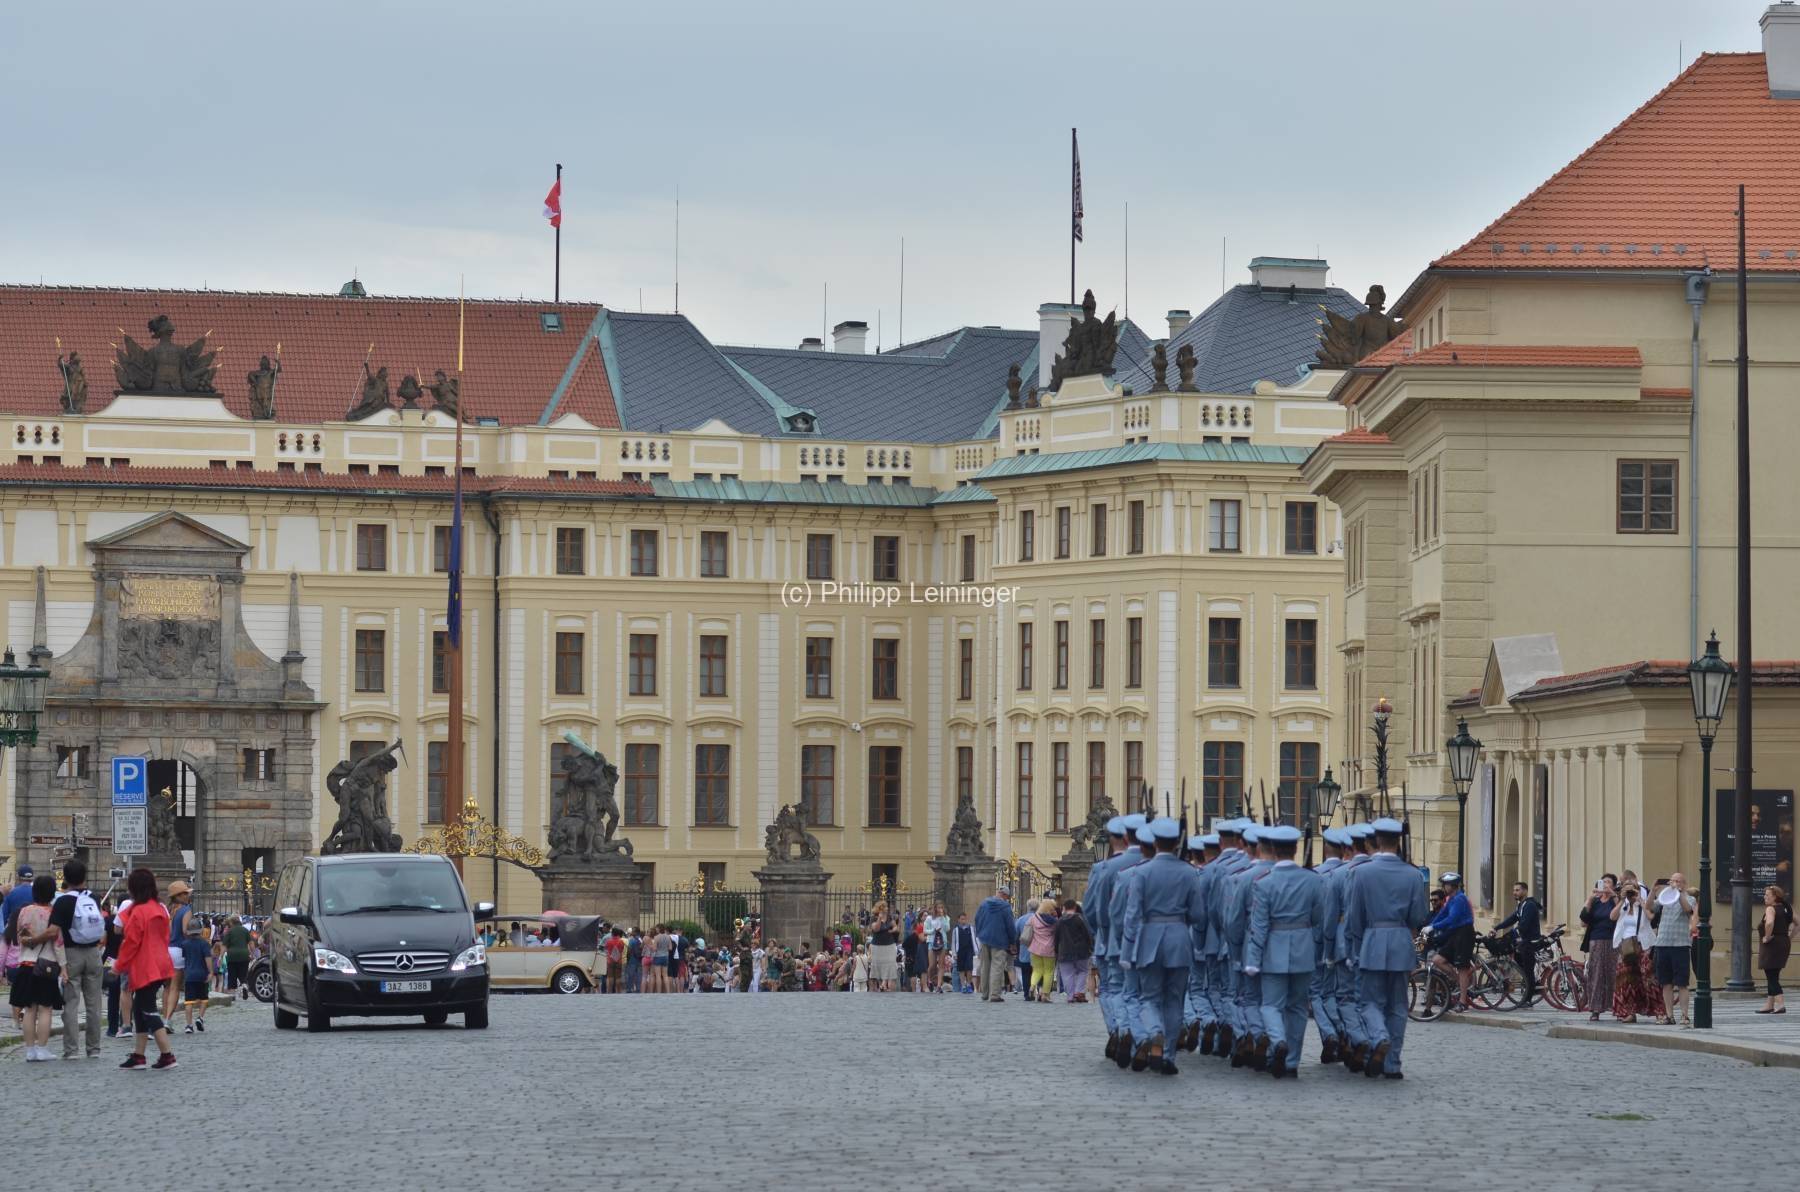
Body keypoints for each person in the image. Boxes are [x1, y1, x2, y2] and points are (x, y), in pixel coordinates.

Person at [1342, 818, 1431, 1079]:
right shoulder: (1413, 874)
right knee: (1398, 1006)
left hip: (1372, 941)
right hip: (1401, 943)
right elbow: (1418, 916)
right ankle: (1392, 1063)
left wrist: (1358, 947)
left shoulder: (1362, 873)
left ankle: (1379, 1037)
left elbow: (1354, 918)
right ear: (1398, 841)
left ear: (1377, 841)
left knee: (1369, 1002)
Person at [1118, 818, 1206, 1075]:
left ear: (1155, 842)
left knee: (1150, 997)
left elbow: (1132, 915)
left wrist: (1127, 951)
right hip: (1179, 940)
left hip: (1149, 940)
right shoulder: (1189, 872)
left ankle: (1154, 1032)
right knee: (1175, 1000)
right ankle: (1167, 1055)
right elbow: (1198, 914)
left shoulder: (1142, 872)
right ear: (1177, 842)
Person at [1243, 824, 1324, 1079]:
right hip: (1303, 950)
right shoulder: (1313, 880)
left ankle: (1278, 1041)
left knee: (1271, 1006)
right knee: (1298, 1008)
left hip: (1273, 951)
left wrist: (1253, 959)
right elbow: (1318, 917)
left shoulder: (1264, 883)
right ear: (1296, 849)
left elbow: (1259, 926)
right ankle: (1291, 1062)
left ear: (1273, 850)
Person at [114, 868, 177, 1070]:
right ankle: (139, 1056)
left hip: (146, 965)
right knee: (140, 1009)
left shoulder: (139, 911)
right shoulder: (159, 908)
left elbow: (131, 942)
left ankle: (167, 1055)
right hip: (161, 962)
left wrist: (118, 966)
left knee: (148, 1009)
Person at [49, 858, 106, 1060]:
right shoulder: (94, 897)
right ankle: (94, 1048)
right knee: (94, 1004)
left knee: (71, 1004)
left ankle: (71, 1050)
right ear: (85, 876)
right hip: (93, 953)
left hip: (71, 953)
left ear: (65, 878)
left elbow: (53, 930)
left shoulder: (63, 901)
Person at [10, 873, 65, 1061]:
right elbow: (58, 943)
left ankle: (30, 1050)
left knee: (29, 1009)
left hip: (26, 963)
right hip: (46, 965)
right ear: (52, 892)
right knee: (45, 1009)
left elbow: (20, 936)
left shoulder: (24, 911)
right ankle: (42, 1049)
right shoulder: (53, 913)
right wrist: (64, 966)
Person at [1423, 872, 1476, 1011]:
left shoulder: (1459, 899)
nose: (1443, 887)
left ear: (1452, 885)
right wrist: (1429, 926)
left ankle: (1463, 1001)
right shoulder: (1450, 899)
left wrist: (1434, 927)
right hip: (1455, 933)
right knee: (1437, 960)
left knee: (1462, 967)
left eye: (1445, 885)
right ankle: (1461, 984)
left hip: (1464, 933)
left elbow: (1451, 919)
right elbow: (1442, 914)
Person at [1652, 873, 1697, 1027]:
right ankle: (1669, 1015)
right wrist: (1653, 891)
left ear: (1684, 884)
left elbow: (1687, 909)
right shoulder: (1664, 898)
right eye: (1672, 881)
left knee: (1682, 983)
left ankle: (1685, 1015)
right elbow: (1649, 907)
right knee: (1666, 983)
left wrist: (1678, 893)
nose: (1675, 883)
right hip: (1663, 943)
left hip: (1680, 945)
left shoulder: (1689, 898)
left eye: (1678, 881)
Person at [1609, 878, 1657, 1024]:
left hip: (1643, 945)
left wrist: (1639, 900)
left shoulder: (1642, 904)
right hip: (1626, 946)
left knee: (1648, 979)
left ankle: (1658, 1011)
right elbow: (1612, 917)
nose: (1630, 892)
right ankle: (1629, 1012)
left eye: (1632, 889)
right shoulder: (1623, 905)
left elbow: (1651, 917)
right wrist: (1621, 899)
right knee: (1626, 982)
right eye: (1627, 889)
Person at [1494, 881, 1544, 1007]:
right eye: (1514, 890)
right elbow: (1511, 919)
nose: (1514, 892)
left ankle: (1528, 999)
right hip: (1524, 942)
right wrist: (1497, 928)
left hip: (1530, 943)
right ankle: (1530, 985)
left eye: (1517, 890)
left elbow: (1524, 925)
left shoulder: (1529, 905)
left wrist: (1510, 934)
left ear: (1525, 891)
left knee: (1528, 971)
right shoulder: (1521, 905)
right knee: (1521, 965)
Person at [1578, 876, 1619, 1022]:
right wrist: (1590, 898)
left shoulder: (1615, 899)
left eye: (1609, 882)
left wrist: (1613, 895)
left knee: (1614, 974)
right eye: (1603, 882)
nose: (1605, 885)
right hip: (1596, 941)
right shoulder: (1595, 901)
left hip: (1613, 941)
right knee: (1596, 974)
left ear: (1614, 886)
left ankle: (1617, 1008)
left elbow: (1621, 914)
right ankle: (1595, 1009)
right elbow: (1583, 921)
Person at [973, 886, 1017, 1002]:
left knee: (985, 966)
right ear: (1005, 895)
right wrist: (1012, 942)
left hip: (984, 938)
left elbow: (977, 919)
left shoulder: (984, 903)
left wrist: (980, 933)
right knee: (997, 967)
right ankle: (994, 994)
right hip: (1000, 940)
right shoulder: (1005, 907)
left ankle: (984, 993)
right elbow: (1010, 925)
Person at [1757, 885, 1793, 1014]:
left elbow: (1769, 923)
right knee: (1773, 974)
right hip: (1783, 943)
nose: (1765, 897)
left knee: (1771, 975)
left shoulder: (1770, 909)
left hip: (1772, 945)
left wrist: (1767, 937)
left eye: (1767, 895)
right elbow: (1798, 923)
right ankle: (1769, 1004)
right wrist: (1789, 937)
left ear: (1775, 897)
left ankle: (1780, 1003)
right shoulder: (1786, 908)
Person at [164, 880, 194, 1020]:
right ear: (179, 895)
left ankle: (164, 1017)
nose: (188, 896)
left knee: (167, 987)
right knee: (175, 987)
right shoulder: (186, 910)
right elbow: (185, 931)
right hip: (179, 950)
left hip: (168, 950)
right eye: (185, 894)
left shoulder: (169, 910)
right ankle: (168, 1019)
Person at [1054, 898, 1092, 1005]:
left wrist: (1056, 950)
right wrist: (1090, 946)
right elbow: (1087, 934)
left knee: (1067, 974)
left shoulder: (1060, 921)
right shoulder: (1080, 919)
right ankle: (1078, 991)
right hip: (1081, 951)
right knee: (1083, 971)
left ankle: (1070, 996)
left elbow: (1056, 937)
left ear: (1064, 908)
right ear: (1075, 907)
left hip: (1064, 951)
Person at [180, 915, 211, 1033]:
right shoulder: (204, 944)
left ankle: (189, 1025)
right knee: (204, 999)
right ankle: (200, 1018)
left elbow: (184, 959)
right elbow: (208, 959)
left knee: (189, 1001)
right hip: (202, 975)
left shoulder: (184, 944)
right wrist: (210, 972)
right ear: (200, 930)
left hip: (189, 976)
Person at [867, 902, 900, 992]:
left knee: (889, 964)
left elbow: (896, 927)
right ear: (880, 909)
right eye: (885, 907)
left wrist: (892, 930)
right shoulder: (873, 918)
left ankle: (883, 984)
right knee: (878, 965)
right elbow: (876, 929)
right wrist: (879, 918)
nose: (887, 908)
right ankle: (881, 984)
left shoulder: (889, 917)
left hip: (889, 945)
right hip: (877, 946)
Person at [223, 916, 252, 1000]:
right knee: (243, 975)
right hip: (244, 956)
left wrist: (221, 956)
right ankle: (244, 985)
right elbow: (251, 943)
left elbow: (224, 945)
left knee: (232, 976)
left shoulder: (230, 931)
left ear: (232, 923)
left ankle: (232, 996)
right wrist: (253, 954)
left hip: (232, 956)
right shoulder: (245, 930)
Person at [923, 903, 951, 993]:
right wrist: (933, 931)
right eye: (938, 907)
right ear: (935, 908)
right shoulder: (929, 918)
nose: (940, 909)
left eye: (941, 907)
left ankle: (939, 986)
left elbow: (947, 929)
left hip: (942, 942)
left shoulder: (946, 918)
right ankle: (929, 981)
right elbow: (925, 931)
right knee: (932, 965)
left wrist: (943, 918)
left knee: (941, 964)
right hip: (932, 941)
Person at [951, 912, 977, 994]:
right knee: (961, 969)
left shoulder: (971, 928)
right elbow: (953, 942)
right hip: (960, 950)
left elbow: (974, 939)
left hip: (969, 950)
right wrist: (954, 953)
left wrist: (976, 950)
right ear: (958, 920)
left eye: (965, 919)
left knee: (969, 968)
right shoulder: (956, 930)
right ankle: (963, 985)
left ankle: (969, 984)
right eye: (962, 919)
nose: (963, 921)